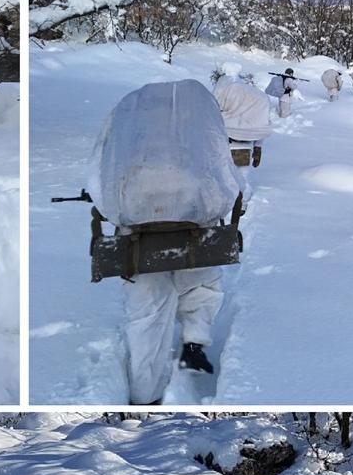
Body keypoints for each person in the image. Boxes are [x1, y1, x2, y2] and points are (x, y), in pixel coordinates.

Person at [88, 79, 248, 404]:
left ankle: (144, 392)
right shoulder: (195, 137)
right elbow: (224, 174)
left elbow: (98, 173)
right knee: (201, 285)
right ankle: (194, 343)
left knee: (147, 313)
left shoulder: (131, 137)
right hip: (194, 228)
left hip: (138, 237)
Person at [213, 73, 273, 168]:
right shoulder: (261, 98)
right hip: (250, 137)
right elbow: (262, 123)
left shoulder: (232, 90)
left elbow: (217, 110)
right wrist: (258, 147)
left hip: (229, 133)